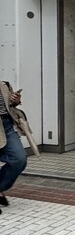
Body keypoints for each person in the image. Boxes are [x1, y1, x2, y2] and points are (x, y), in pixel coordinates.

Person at [0, 80, 28, 211]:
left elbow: (11, 105)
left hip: (6, 125)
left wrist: (15, 100)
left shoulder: (4, 84)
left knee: (19, 159)